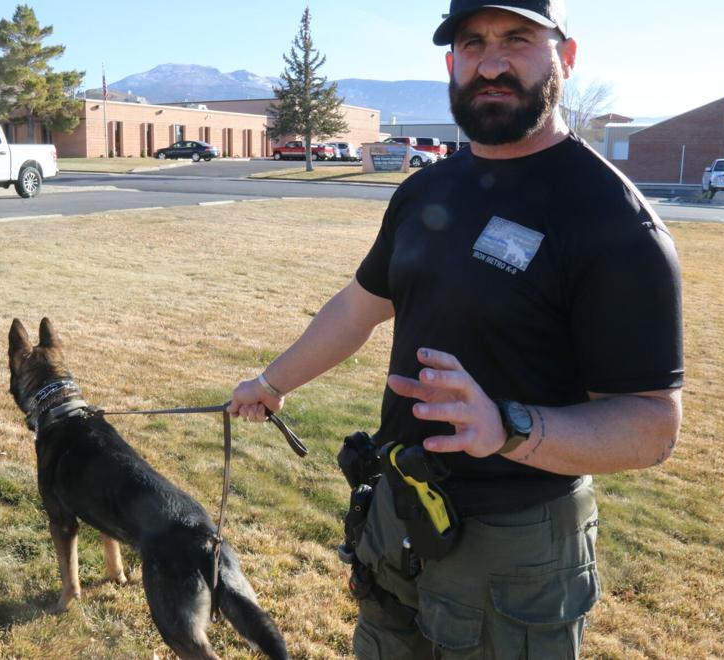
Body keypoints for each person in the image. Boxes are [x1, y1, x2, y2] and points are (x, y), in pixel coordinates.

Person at [228, 0, 684, 657]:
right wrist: (271, 382)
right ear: (451, 62)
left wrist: (508, 428)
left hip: (515, 547)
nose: (491, 64)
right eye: (472, 43)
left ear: (567, 55)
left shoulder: (614, 223)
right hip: (398, 514)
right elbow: (360, 306)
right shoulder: (425, 191)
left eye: (518, 40)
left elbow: (652, 427)